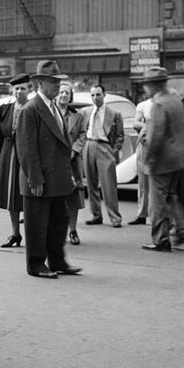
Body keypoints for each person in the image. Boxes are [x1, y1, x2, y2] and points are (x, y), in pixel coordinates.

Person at [15, 60, 81, 278]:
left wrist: (69, 175)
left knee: (58, 223)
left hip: (57, 178)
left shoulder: (53, 108)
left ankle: (57, 261)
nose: (58, 86)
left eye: (59, 81)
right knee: (37, 225)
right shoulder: (31, 110)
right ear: (41, 83)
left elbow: (62, 145)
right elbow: (26, 149)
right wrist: (35, 179)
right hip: (40, 179)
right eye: (54, 82)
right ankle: (36, 264)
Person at [140, 67, 184, 252]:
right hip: (178, 158)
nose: (145, 89)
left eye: (146, 85)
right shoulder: (175, 100)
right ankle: (183, 229)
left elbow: (156, 136)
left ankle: (161, 239)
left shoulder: (159, 104)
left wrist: (148, 158)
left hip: (161, 161)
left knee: (158, 202)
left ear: (153, 85)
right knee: (171, 197)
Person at [0, 73, 31, 248]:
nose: (19, 92)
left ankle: (33, 235)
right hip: (8, 155)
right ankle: (15, 234)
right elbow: (0, 136)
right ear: (12, 91)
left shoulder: (33, 108)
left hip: (27, 156)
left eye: (22, 88)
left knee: (28, 195)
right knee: (10, 196)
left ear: (29, 90)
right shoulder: (5, 109)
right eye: (16, 89)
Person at [81, 84, 124, 227]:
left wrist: (114, 151)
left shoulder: (114, 114)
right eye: (93, 95)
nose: (95, 98)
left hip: (105, 147)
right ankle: (96, 215)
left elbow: (120, 136)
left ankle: (115, 218)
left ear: (104, 95)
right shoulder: (86, 112)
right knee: (91, 184)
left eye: (98, 94)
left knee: (108, 185)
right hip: (89, 145)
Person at [55, 81, 86, 245]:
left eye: (67, 93)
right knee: (54, 197)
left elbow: (82, 135)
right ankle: (55, 231)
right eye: (61, 92)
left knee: (73, 198)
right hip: (54, 161)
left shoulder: (78, 116)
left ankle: (72, 231)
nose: (64, 95)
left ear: (71, 97)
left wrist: (74, 150)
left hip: (72, 161)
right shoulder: (50, 113)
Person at [128, 97, 153, 225]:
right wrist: (147, 126)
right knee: (143, 181)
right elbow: (135, 123)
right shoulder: (143, 105)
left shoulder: (167, 103)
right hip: (145, 144)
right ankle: (142, 214)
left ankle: (159, 216)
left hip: (161, 144)